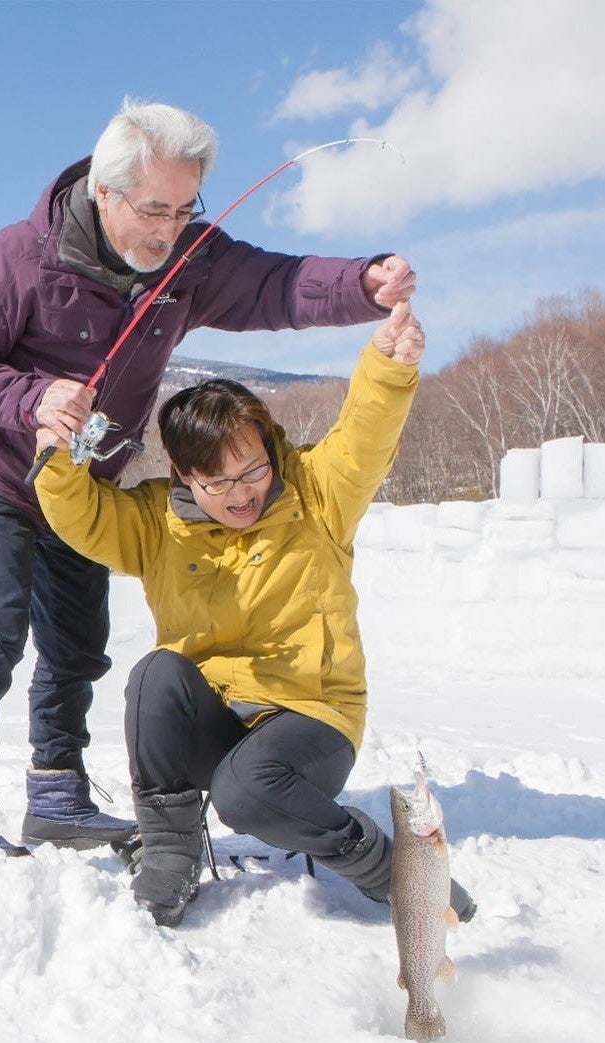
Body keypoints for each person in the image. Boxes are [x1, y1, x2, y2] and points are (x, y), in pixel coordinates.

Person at [0, 96, 416, 871]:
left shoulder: (186, 261)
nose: (167, 228)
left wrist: (361, 283)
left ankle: (54, 793)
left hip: (90, 482)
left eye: (185, 209)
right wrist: (30, 399)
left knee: (77, 646)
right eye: (153, 209)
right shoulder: (18, 255)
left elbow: (273, 285)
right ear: (103, 193)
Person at [33, 300, 477, 927]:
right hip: (218, 717)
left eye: (253, 470)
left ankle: (394, 871)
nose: (241, 493)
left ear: (270, 451)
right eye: (217, 482)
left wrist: (385, 367)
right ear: (186, 475)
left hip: (312, 715)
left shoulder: (316, 495)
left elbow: (364, 439)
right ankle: (170, 851)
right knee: (157, 676)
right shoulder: (158, 522)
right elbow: (84, 514)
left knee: (247, 793)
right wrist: (57, 455)